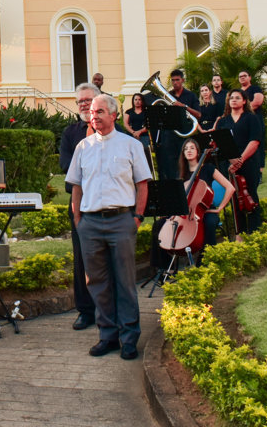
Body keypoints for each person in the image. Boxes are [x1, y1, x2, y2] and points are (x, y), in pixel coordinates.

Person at [67, 94, 151, 361]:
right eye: (92, 111)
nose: (95, 115)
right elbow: (76, 187)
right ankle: (107, 336)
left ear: (114, 115)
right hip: (90, 223)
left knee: (125, 282)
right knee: (98, 283)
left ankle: (128, 338)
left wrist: (136, 217)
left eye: (100, 111)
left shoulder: (130, 145)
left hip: (121, 221)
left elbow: (143, 184)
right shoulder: (83, 147)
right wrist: (79, 220)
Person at [59, 82, 100, 331]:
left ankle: (108, 309)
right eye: (80, 102)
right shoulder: (70, 132)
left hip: (107, 205)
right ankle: (85, 311)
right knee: (81, 259)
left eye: (88, 100)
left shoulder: (112, 130)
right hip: (80, 204)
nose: (84, 105)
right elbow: (66, 167)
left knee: (106, 258)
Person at [177, 137, 232, 265]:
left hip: (206, 210)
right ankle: (163, 268)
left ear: (198, 151)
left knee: (210, 223)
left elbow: (230, 187)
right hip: (187, 212)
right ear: (183, 154)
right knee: (160, 225)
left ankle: (206, 260)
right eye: (186, 149)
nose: (189, 151)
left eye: (192, 148)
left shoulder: (208, 168)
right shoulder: (182, 172)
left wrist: (220, 208)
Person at [215, 89, 264, 233]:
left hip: (249, 162)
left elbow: (254, 141)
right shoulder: (223, 121)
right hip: (229, 165)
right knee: (235, 199)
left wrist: (240, 160)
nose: (234, 100)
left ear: (244, 101)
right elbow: (219, 143)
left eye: (237, 98)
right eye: (231, 98)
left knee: (250, 195)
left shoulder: (251, 118)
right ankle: (240, 233)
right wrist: (232, 162)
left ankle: (255, 231)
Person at [156, 69, 200, 177]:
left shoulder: (191, 95)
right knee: (171, 164)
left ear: (182, 80)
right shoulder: (167, 96)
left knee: (185, 161)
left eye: (177, 80)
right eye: (173, 80)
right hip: (170, 134)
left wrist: (183, 106)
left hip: (185, 133)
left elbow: (198, 114)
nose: (175, 82)